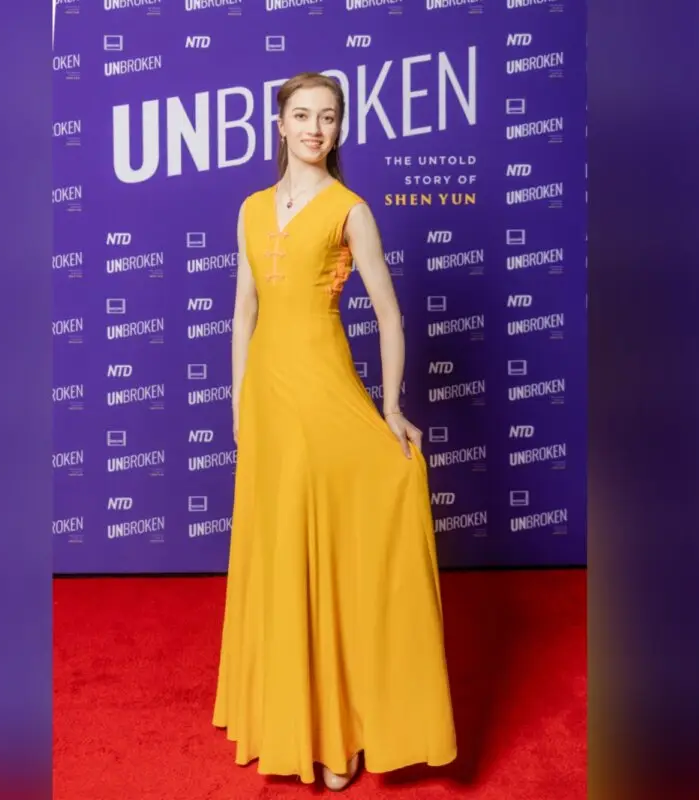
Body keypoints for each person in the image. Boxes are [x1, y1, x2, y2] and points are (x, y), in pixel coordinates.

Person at [212, 72, 457, 792]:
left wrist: (389, 407)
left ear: (338, 131)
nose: (315, 128)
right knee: (284, 551)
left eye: (328, 117)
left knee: (336, 541)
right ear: (280, 126)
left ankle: (341, 732)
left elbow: (389, 313)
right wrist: (236, 403)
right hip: (265, 400)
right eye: (302, 115)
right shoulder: (251, 209)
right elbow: (242, 313)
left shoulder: (351, 210)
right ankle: (291, 720)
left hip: (325, 393)